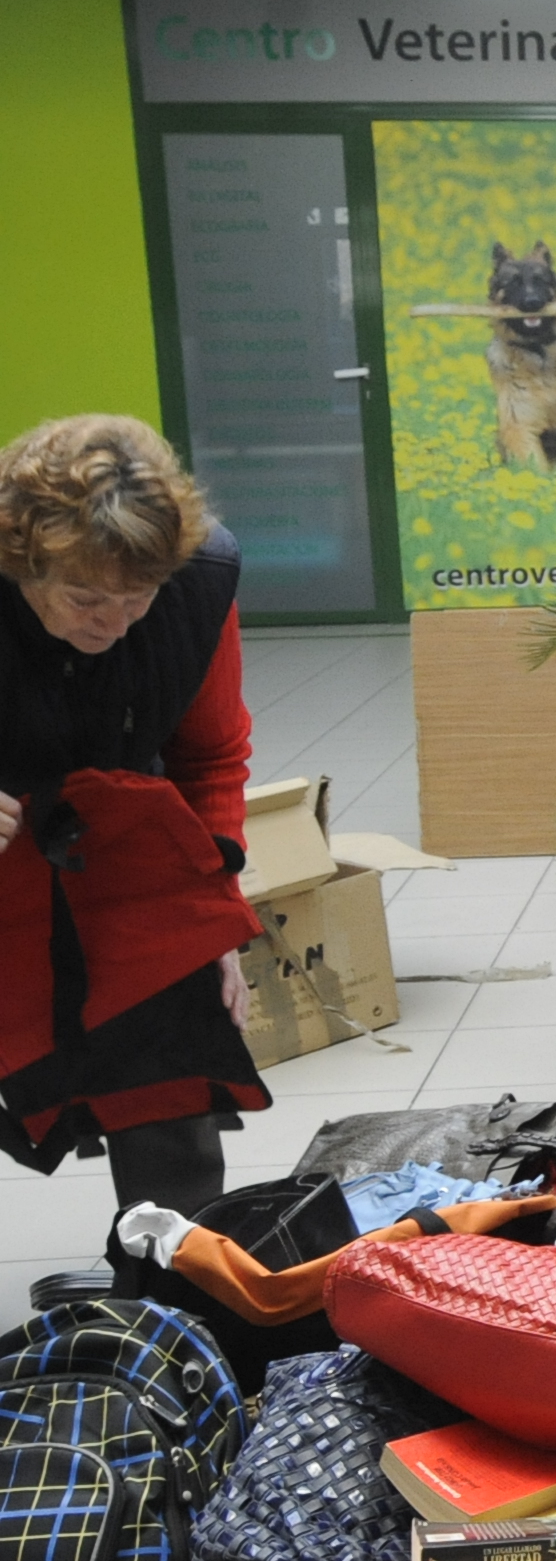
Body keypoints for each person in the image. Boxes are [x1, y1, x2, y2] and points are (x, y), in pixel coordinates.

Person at [0, 414, 267, 1216]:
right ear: (22, 561)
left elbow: (212, 756)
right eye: (86, 597)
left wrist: (212, 917)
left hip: (124, 840)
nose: (113, 624)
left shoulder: (201, 579)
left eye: (137, 598)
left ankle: (172, 1291)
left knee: (174, 1062)